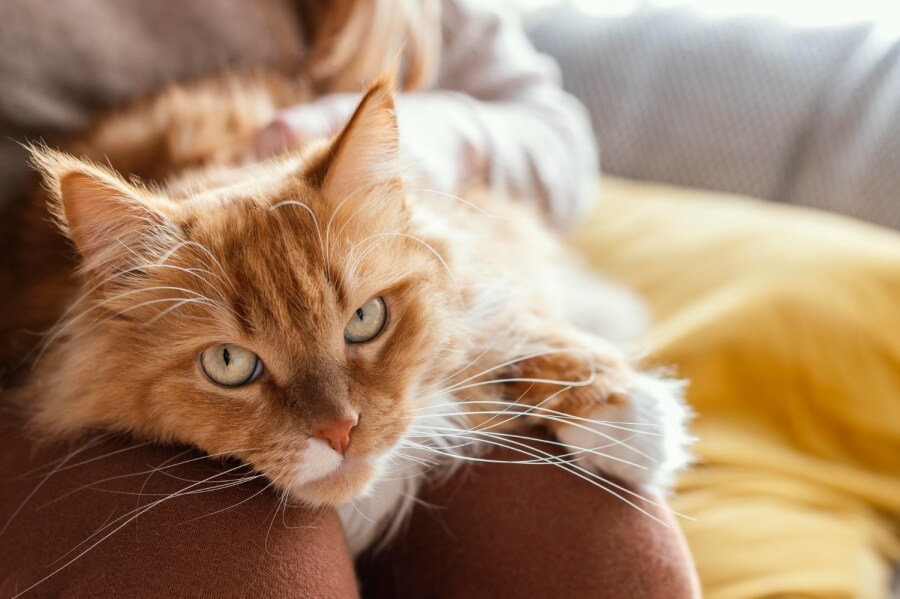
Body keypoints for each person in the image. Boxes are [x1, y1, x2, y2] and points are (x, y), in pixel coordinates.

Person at [0, 1, 699, 596]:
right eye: (234, 363)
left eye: (363, 321)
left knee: (611, 558)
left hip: (332, 185)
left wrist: (416, 143)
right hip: (75, 261)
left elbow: (554, 136)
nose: (335, 421)